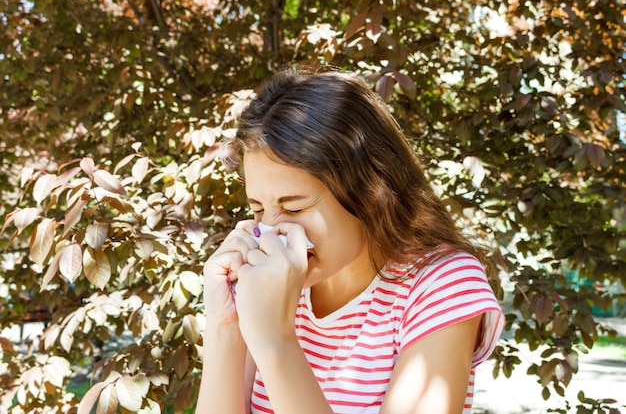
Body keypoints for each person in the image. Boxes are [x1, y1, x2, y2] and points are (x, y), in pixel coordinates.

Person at [195, 66, 504, 414]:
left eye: (293, 208)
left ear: (371, 192)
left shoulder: (442, 285)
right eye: (257, 208)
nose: (271, 230)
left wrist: (276, 342)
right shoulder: (273, 286)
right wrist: (227, 326)